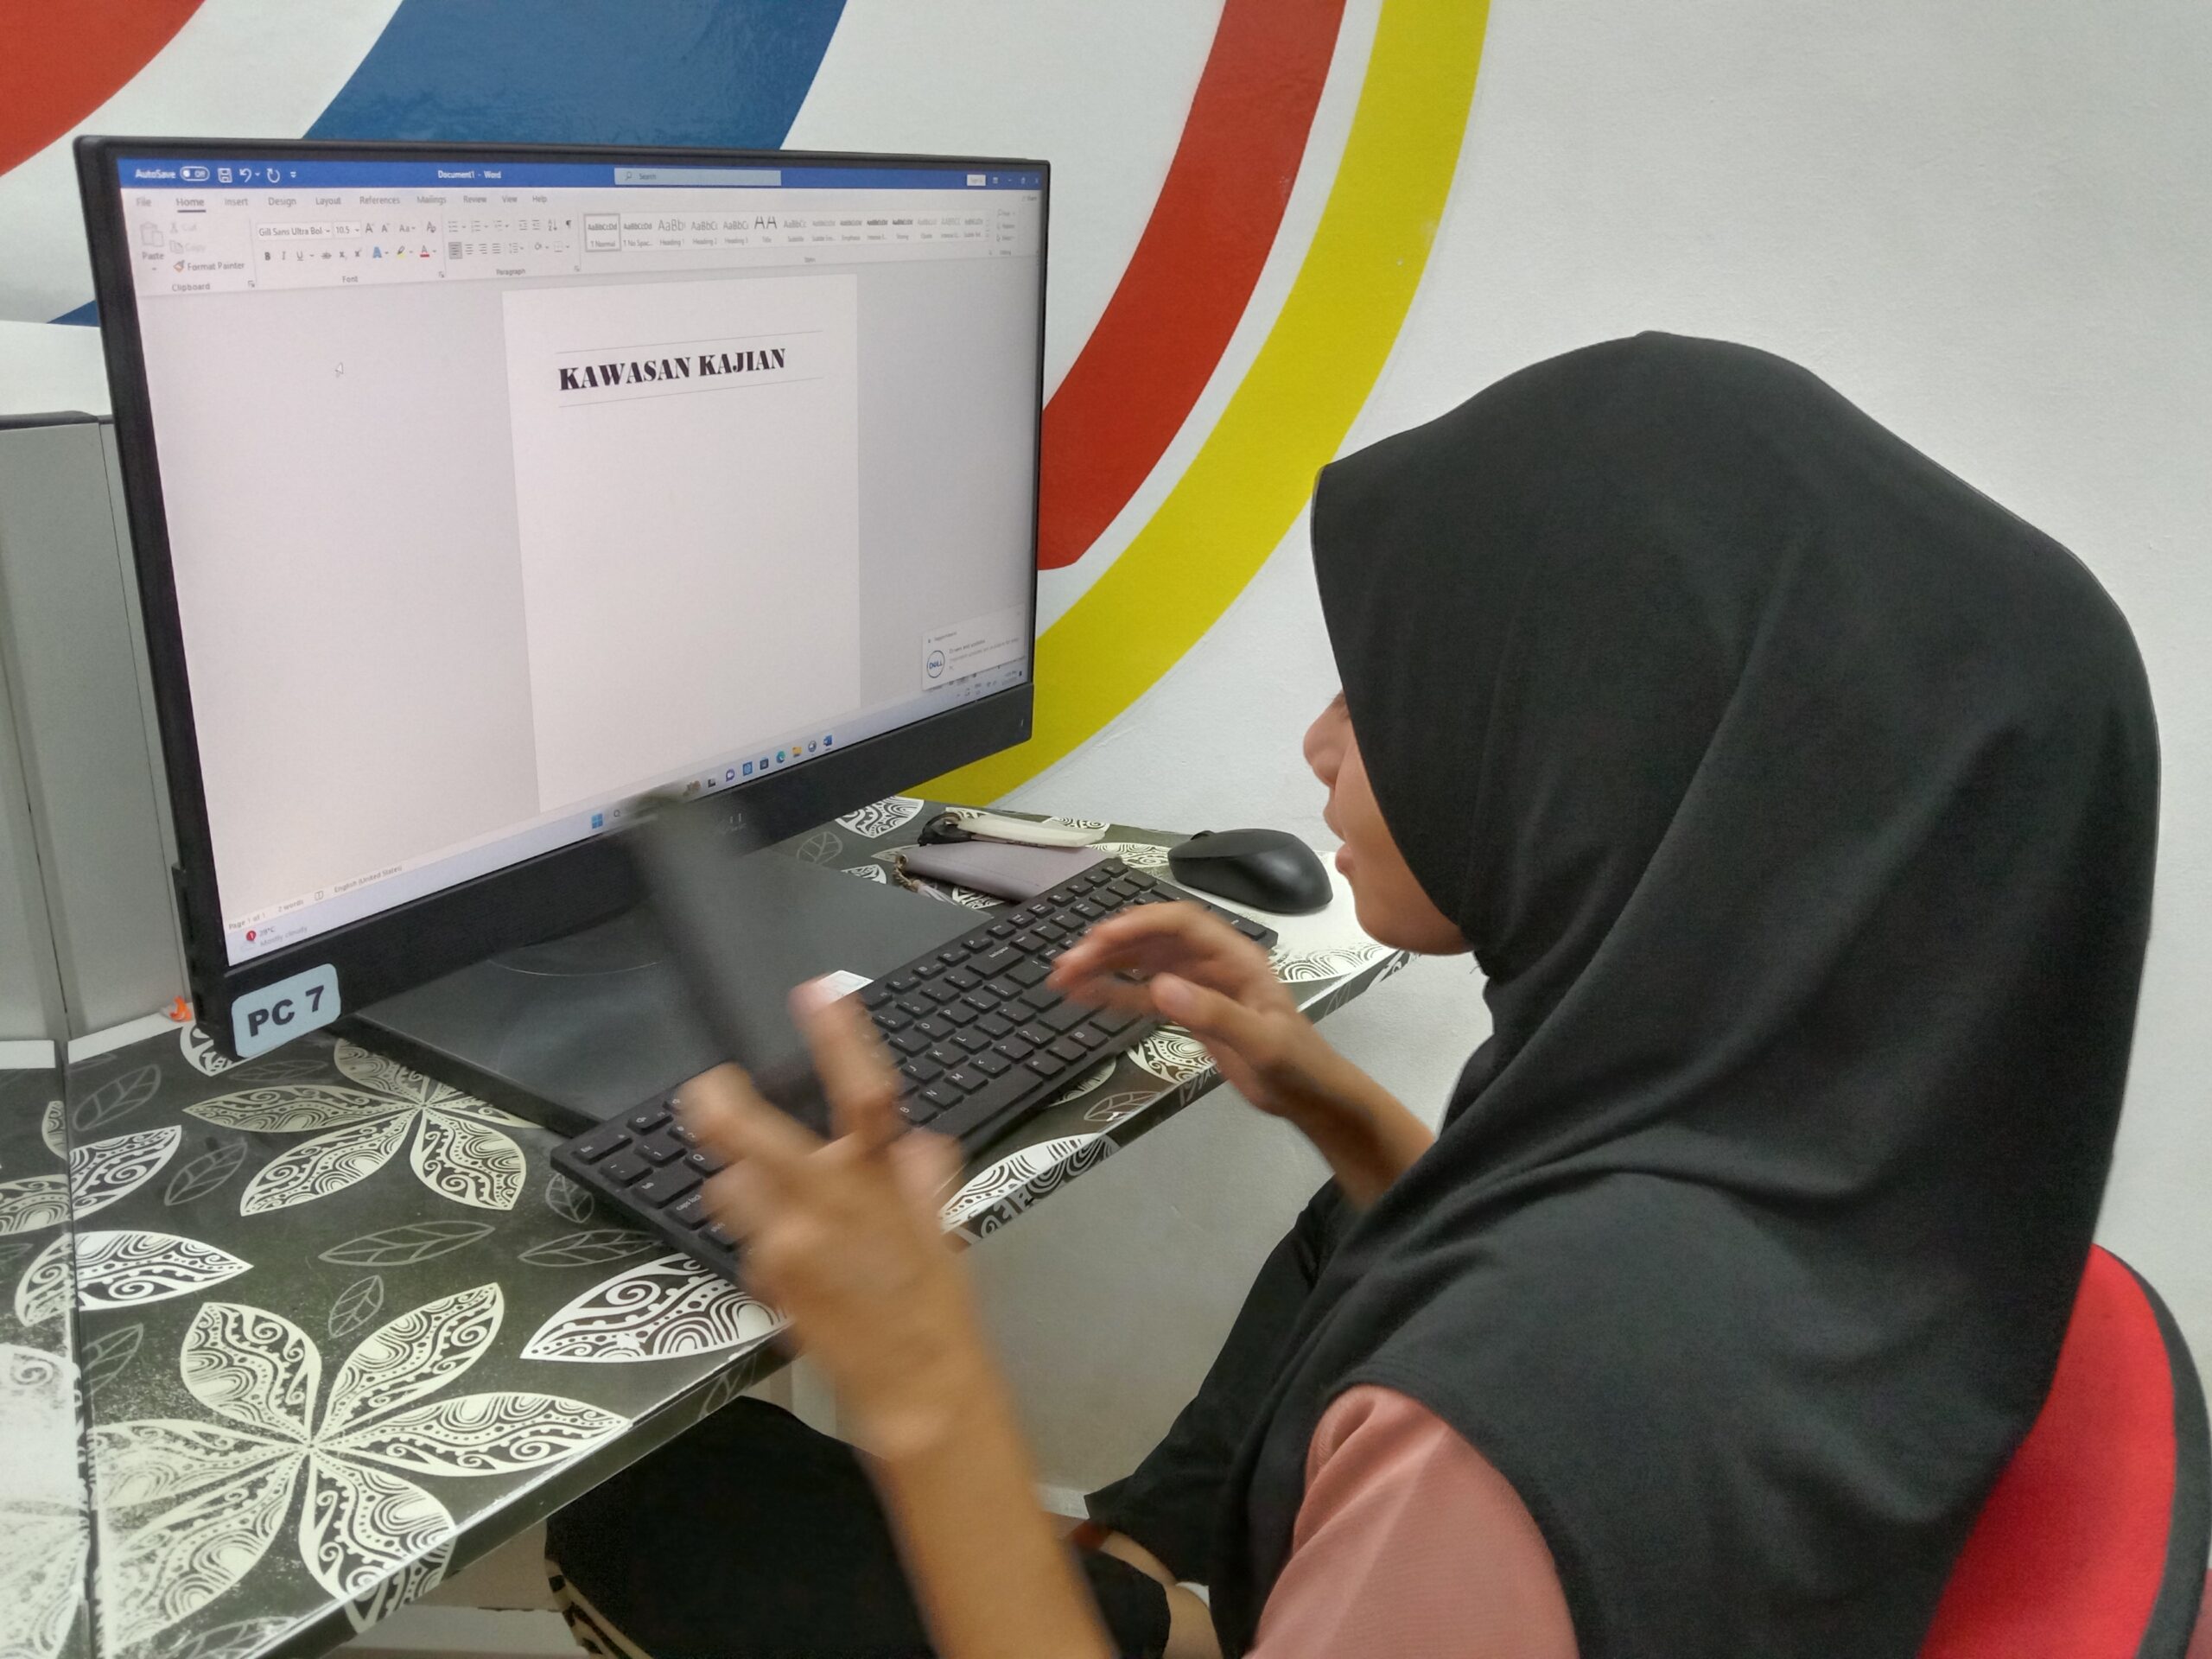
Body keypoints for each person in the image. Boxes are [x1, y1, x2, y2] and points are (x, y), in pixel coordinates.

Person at [545, 334, 2158, 1659]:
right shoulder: (1866, 1149)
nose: (1321, 743)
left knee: (658, 1505)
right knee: (1350, 1225)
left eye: (1388, 692)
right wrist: (1334, 1105)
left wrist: (918, 1372)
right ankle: (1150, 1579)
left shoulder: (1519, 1410)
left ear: (1592, 750)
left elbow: (1515, 1383)